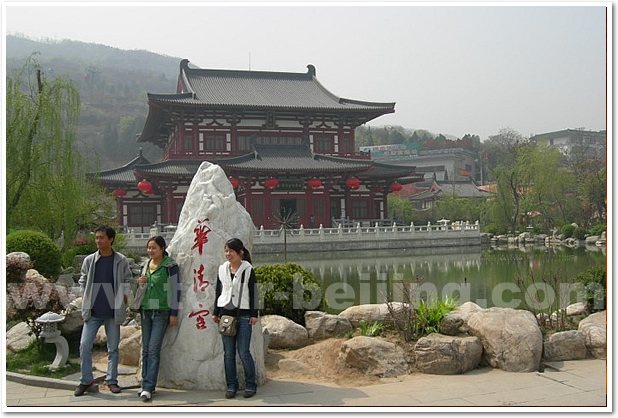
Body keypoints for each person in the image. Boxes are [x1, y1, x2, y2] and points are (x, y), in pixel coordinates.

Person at [75, 225, 132, 397]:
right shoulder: (90, 260)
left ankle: (111, 380)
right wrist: (85, 295)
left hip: (112, 311)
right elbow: (83, 279)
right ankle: (86, 380)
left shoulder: (121, 260)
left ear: (111, 239)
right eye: (97, 238)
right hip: (93, 311)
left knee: (112, 348)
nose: (98, 241)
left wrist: (124, 297)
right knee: (84, 345)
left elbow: (128, 279)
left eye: (101, 238)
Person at [213, 238, 259, 399]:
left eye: (231, 251)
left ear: (240, 253)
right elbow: (219, 291)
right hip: (226, 315)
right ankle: (231, 385)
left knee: (244, 351)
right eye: (226, 251)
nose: (228, 254)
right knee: (228, 353)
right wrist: (215, 312)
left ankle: (251, 384)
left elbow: (253, 293)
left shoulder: (247, 269)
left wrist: (254, 314)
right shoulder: (222, 269)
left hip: (244, 316)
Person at [137, 236, 181, 402]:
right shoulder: (146, 264)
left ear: (162, 248)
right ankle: (145, 385)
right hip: (146, 311)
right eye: (149, 248)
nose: (150, 251)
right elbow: (143, 287)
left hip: (161, 312)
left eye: (154, 248)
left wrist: (174, 313)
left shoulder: (170, 266)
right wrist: (139, 283)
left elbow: (176, 290)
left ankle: (148, 387)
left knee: (154, 349)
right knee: (146, 349)